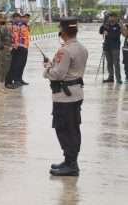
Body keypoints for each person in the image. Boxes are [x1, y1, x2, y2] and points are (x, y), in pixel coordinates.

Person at [43, 16, 88, 176]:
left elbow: (58, 74)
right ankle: (70, 161)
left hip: (64, 96)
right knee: (73, 129)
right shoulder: (81, 48)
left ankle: (71, 164)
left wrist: (47, 68)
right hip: (76, 93)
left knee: (64, 129)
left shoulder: (65, 50)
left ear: (63, 31)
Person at [99, 11, 122, 83]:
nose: (111, 18)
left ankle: (118, 79)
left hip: (115, 47)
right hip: (107, 47)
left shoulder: (118, 26)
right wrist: (103, 26)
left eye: (113, 17)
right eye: (110, 17)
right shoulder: (106, 25)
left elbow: (115, 36)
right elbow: (100, 31)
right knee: (109, 63)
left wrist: (107, 33)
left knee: (116, 63)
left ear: (116, 18)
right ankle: (111, 77)